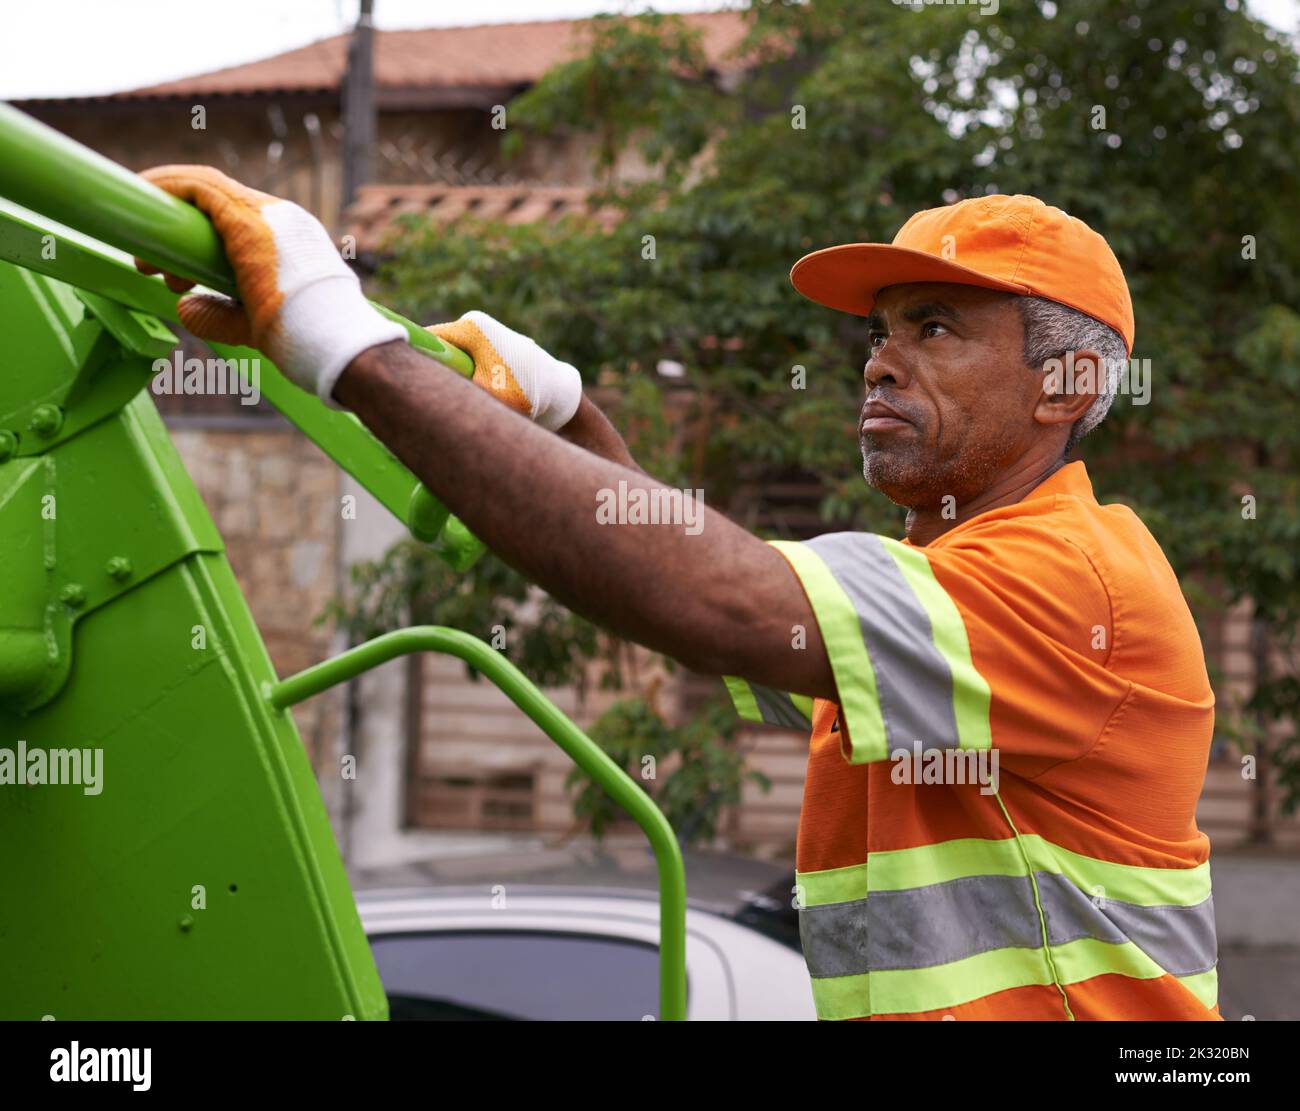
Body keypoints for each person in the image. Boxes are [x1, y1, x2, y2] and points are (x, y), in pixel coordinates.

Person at [136, 168, 1218, 1021]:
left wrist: (343, 338)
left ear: (1062, 385)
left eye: (932, 327)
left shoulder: (1064, 581)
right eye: (880, 331)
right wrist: (569, 419)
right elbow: (715, 613)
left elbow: (721, 601)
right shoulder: (944, 600)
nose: (880, 363)